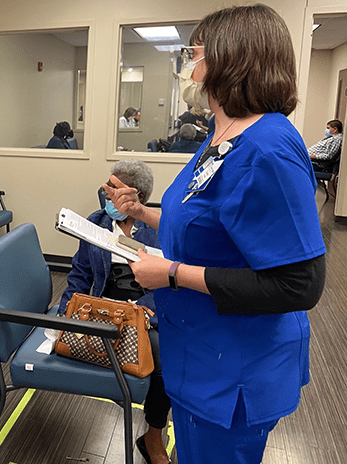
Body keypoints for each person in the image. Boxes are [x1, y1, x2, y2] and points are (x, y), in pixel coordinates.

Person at [104, 5, 325, 464]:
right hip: (199, 352)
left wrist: (171, 274)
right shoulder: (223, 135)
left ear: (229, 59)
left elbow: (299, 283)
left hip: (234, 372)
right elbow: (209, 221)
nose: (190, 66)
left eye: (195, 53)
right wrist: (143, 212)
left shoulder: (268, 149)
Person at [59, 160, 171, 464]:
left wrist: (146, 311)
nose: (107, 197)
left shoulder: (161, 229)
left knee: (166, 363)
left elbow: (168, 284)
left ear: (139, 197)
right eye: (107, 191)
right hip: (104, 306)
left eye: (115, 191)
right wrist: (63, 314)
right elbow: (80, 275)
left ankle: (152, 436)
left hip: (145, 308)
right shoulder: (95, 222)